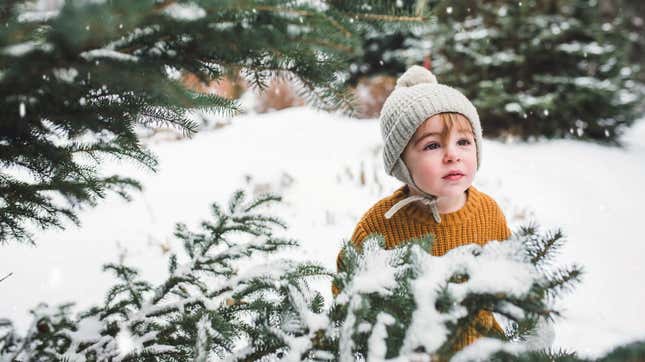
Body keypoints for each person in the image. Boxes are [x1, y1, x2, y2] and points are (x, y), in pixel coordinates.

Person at [334, 65, 512, 349]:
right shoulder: (381, 223)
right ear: (401, 163)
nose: (452, 155)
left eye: (464, 141)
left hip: (480, 351)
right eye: (432, 146)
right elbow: (347, 286)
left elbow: (510, 274)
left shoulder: (487, 212)